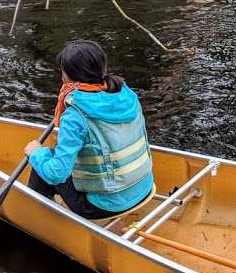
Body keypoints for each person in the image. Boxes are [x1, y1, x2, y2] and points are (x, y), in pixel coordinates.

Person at [24, 40, 155, 220]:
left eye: (62, 71)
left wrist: (35, 154)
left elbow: (57, 174)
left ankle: (35, 216)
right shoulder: (126, 96)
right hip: (144, 187)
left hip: (102, 206)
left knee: (43, 160)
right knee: (53, 156)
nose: (61, 76)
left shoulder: (74, 115)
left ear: (69, 75)